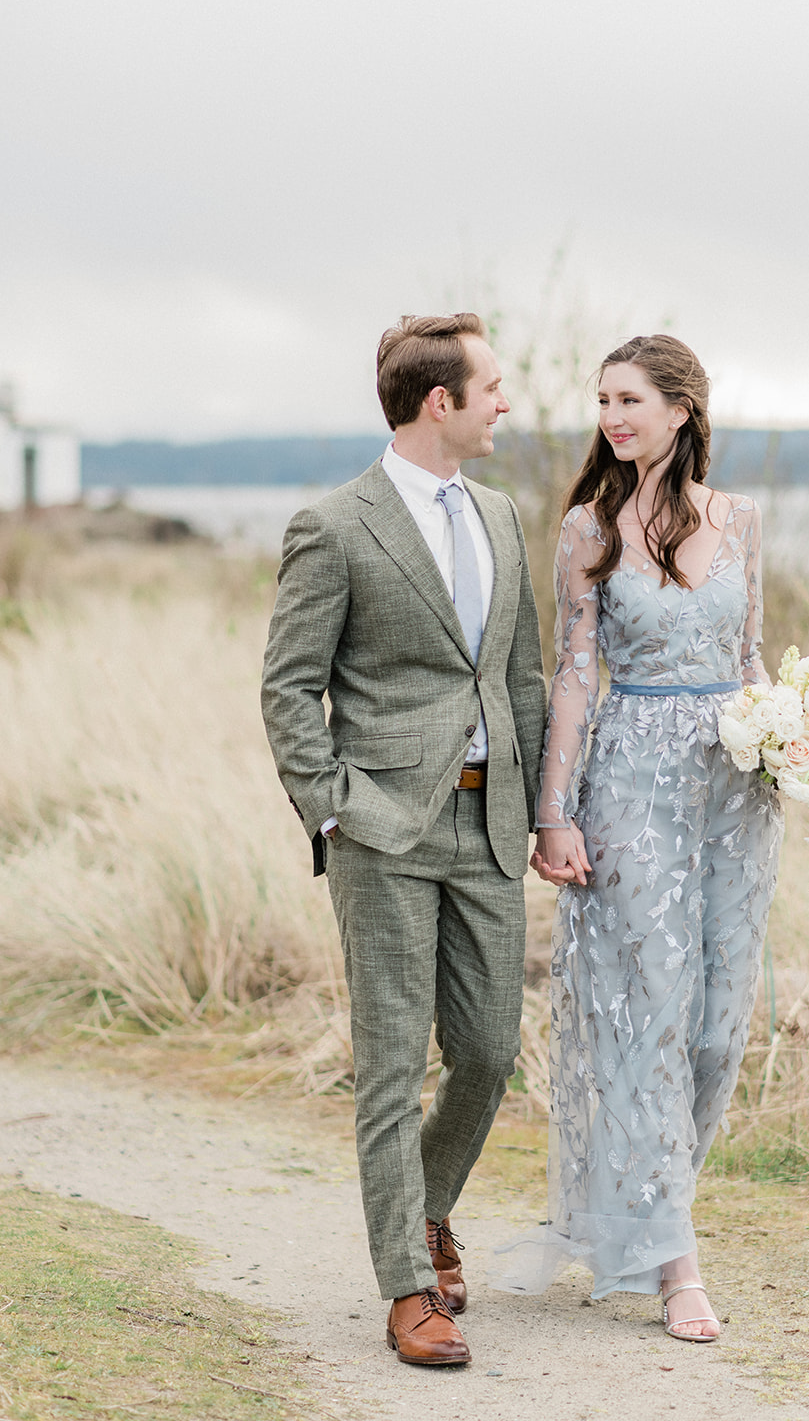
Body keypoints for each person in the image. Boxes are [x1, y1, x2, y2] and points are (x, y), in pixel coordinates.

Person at [261, 313, 546, 1367]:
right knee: (389, 1066)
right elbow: (289, 688)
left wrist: (540, 811)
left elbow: (517, 677)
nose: (505, 403)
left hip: (489, 823)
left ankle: (425, 1209)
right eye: (493, 386)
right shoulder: (334, 525)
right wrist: (333, 806)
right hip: (381, 826)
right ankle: (407, 1286)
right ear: (443, 402)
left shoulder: (504, 517)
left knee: (486, 1053)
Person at [497, 333, 783, 1342]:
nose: (612, 417)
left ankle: (652, 1210)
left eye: (629, 399)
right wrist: (553, 809)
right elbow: (573, 673)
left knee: (713, 1026)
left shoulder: (741, 522)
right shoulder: (586, 527)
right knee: (649, 1015)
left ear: (679, 409)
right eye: (603, 400)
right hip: (627, 784)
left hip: (734, 791)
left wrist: (804, 748)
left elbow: (748, 656)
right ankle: (676, 1264)